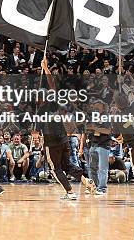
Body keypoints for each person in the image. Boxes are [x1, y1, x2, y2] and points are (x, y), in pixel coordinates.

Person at [39, 58, 95, 200]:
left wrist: (45, 69)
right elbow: (52, 85)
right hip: (64, 139)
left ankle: (70, 192)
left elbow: (51, 84)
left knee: (55, 168)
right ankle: (86, 181)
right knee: (67, 164)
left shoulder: (42, 108)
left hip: (52, 143)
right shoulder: (55, 103)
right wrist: (45, 69)